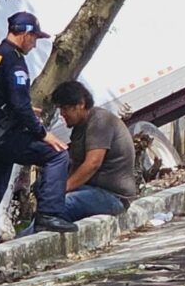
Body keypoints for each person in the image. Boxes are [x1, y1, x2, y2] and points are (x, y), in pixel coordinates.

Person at [0, 11, 68, 250]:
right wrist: (44, 134)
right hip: (3, 136)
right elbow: (20, 104)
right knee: (57, 155)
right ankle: (50, 214)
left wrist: (13, 108)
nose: (34, 45)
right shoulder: (13, 60)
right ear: (24, 33)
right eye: (34, 38)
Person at [38, 81, 137, 231]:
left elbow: (93, 164)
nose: (62, 115)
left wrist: (62, 189)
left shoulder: (100, 121)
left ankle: (22, 245)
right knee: (48, 200)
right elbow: (76, 164)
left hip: (113, 196)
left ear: (81, 104)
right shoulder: (79, 127)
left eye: (65, 109)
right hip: (91, 190)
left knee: (59, 206)